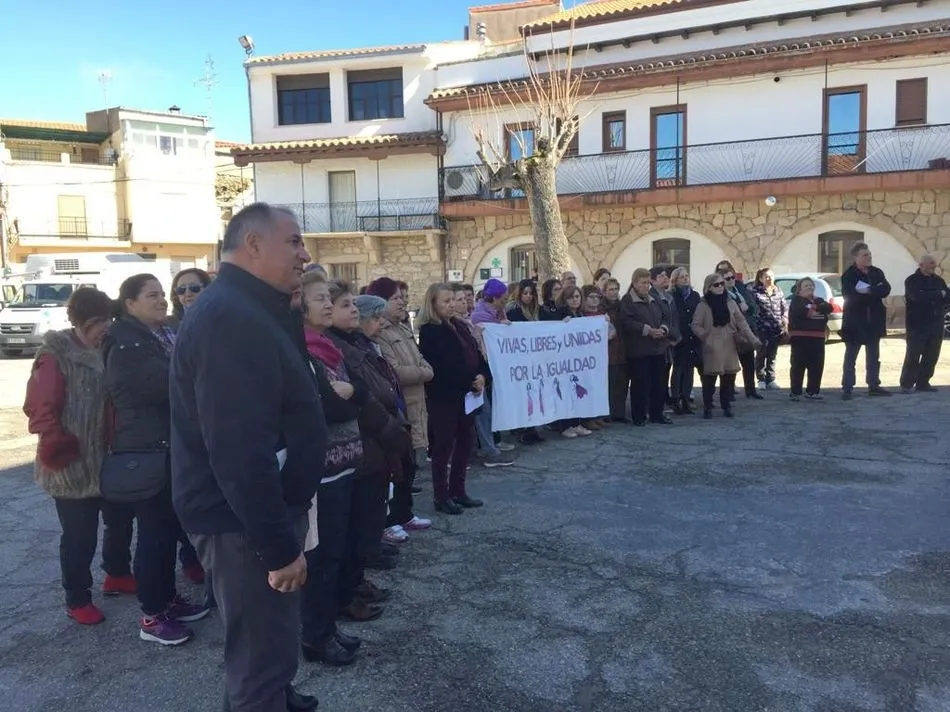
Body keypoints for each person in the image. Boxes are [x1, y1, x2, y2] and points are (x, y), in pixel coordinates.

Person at [170, 203, 324, 712]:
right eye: (295, 242)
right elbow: (239, 449)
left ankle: (279, 696)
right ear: (253, 245)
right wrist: (278, 547)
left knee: (275, 643)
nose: (305, 254)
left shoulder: (256, 307)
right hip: (241, 522)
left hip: (260, 511)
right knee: (258, 659)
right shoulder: (230, 317)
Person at [103, 274, 208, 646]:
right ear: (130, 303)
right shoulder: (126, 342)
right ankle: (152, 615)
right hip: (148, 452)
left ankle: (166, 600)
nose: (164, 300)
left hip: (169, 448)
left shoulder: (158, 335)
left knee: (167, 532)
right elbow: (166, 383)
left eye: (164, 294)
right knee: (154, 537)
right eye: (153, 295)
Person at [23, 287, 134, 625]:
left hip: (109, 458)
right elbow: (38, 407)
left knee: (120, 520)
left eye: (108, 319)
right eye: (98, 321)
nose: (105, 327)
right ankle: (77, 597)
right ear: (80, 321)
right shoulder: (56, 355)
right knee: (79, 535)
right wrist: (57, 444)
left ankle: (116, 573)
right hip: (72, 463)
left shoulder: (109, 348)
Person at [418, 283, 488, 514]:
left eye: (453, 300)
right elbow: (443, 365)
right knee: (443, 446)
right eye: (445, 301)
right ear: (434, 304)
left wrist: (481, 375)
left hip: (466, 395)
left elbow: (475, 355)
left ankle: (459, 490)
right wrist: (470, 378)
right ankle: (441, 495)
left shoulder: (459, 325)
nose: (451, 305)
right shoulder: (430, 330)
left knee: (465, 443)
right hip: (444, 396)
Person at [368, 277, 433, 468]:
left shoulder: (403, 329)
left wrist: (423, 370)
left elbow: (421, 360)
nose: (402, 302)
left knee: (412, 465)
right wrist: (424, 373)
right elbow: (394, 372)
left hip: (417, 406)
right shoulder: (379, 333)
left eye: (402, 298)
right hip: (401, 410)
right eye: (395, 298)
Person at [691, 274, 760, 419]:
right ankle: (708, 407)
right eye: (716, 285)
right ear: (708, 287)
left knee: (728, 378)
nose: (720, 287)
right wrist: (706, 337)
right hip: (712, 344)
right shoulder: (703, 304)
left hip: (729, 342)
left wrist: (753, 339)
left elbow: (742, 323)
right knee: (709, 379)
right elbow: (695, 325)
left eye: (722, 284)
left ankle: (726, 406)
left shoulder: (730, 302)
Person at [469, 278, 518, 466]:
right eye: (503, 299)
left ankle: (492, 443)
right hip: (483, 367)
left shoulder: (499, 312)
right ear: (494, 299)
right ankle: (488, 449)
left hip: (493, 367)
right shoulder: (480, 316)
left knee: (490, 407)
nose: (506, 302)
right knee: (483, 410)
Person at [620, 269, 672, 426]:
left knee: (659, 384)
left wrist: (663, 329)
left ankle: (657, 413)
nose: (645, 286)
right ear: (635, 283)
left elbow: (665, 316)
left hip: (657, 348)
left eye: (648, 282)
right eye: (642, 283)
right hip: (639, 351)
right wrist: (647, 330)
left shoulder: (653, 299)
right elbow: (626, 322)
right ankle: (639, 416)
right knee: (640, 385)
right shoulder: (628, 300)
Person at [840, 242, 892, 400]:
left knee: (873, 356)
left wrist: (868, 290)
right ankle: (847, 388)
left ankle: (874, 385)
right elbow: (851, 296)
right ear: (856, 257)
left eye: (869, 254)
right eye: (865, 255)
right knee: (851, 357)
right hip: (855, 322)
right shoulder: (849, 275)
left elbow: (886, 289)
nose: (869, 257)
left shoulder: (877, 272)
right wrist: (873, 291)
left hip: (874, 321)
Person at [899, 255, 949, 393]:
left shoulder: (938, 281)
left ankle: (923, 382)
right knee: (913, 355)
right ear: (922, 265)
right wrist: (939, 294)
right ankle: (907, 384)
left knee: (932, 355)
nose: (934, 265)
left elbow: (948, 297)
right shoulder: (912, 281)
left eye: (934, 263)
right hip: (917, 324)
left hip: (935, 323)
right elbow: (917, 297)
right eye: (931, 263)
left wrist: (937, 296)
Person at [717, 261, 761, 400]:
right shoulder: (719, 292)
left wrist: (747, 307)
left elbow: (753, 305)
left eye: (732, 277)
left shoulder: (740, 288)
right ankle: (729, 391)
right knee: (730, 364)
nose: (731, 281)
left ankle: (751, 390)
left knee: (748, 362)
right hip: (730, 332)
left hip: (745, 328)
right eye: (727, 278)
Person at [787, 277, 833, 401]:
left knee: (817, 365)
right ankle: (795, 392)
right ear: (799, 289)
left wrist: (813, 308)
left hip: (817, 337)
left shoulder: (818, 300)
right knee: (798, 366)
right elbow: (800, 311)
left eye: (811, 285)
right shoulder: (797, 300)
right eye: (806, 286)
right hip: (800, 337)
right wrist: (816, 310)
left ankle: (813, 391)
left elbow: (829, 308)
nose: (809, 287)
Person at [670, 267, 701, 415]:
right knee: (678, 369)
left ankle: (686, 397)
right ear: (675, 280)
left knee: (689, 369)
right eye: (681, 277)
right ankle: (675, 399)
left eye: (686, 276)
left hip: (692, 336)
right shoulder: (672, 296)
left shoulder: (694, 295)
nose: (685, 279)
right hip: (679, 337)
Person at [752, 267, 787, 391]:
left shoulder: (778, 291)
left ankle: (770, 379)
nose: (769, 278)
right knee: (761, 353)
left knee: (772, 355)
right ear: (760, 278)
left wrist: (784, 320)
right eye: (766, 276)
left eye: (771, 276)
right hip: (761, 328)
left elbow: (784, 307)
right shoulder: (755, 292)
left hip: (776, 328)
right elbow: (753, 310)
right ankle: (761, 379)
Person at [603, 278, 629, 422]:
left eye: (615, 289)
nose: (613, 292)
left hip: (623, 350)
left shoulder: (622, 306)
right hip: (609, 351)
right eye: (610, 289)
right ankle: (607, 414)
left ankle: (620, 413)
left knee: (622, 384)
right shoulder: (601, 308)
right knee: (609, 384)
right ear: (605, 291)